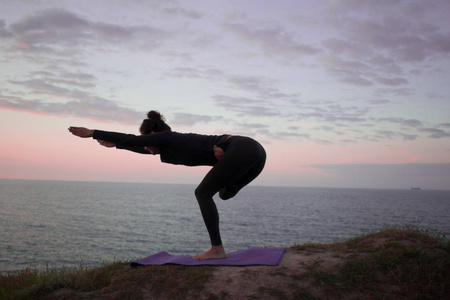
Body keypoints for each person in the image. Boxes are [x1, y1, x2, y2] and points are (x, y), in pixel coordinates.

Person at [69, 110, 266, 260]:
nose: (145, 146)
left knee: (202, 193)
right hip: (255, 153)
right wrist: (116, 145)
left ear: (154, 134)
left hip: (241, 148)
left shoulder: (168, 137)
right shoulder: (171, 148)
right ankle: (221, 157)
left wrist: (93, 133)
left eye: (147, 140)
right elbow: (141, 147)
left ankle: (217, 249)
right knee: (224, 194)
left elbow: (134, 140)